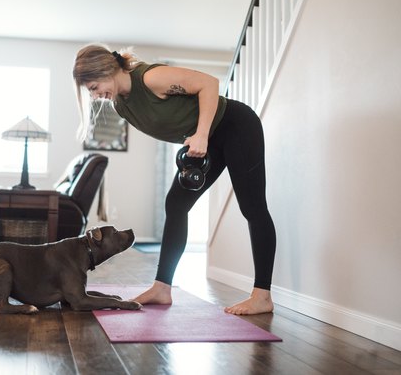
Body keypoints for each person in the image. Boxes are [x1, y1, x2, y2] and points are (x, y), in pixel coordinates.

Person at [72, 43, 276, 315]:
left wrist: (202, 133)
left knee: (252, 208)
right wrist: (197, 139)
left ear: (105, 70)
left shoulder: (149, 78)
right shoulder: (121, 105)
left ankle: (262, 295)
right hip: (208, 138)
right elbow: (176, 118)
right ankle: (162, 287)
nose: (96, 96)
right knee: (176, 205)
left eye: (94, 88)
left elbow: (208, 83)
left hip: (236, 126)